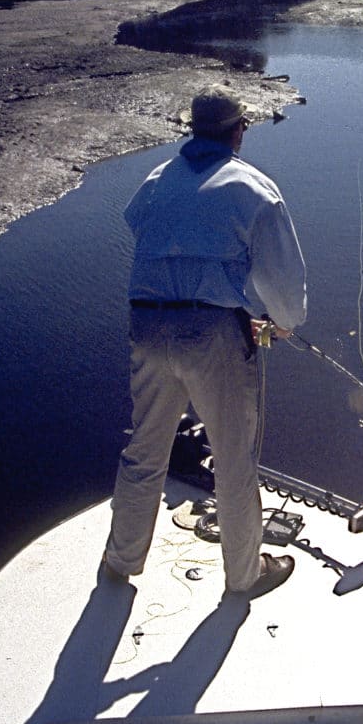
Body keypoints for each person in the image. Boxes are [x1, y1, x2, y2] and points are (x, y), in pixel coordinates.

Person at [103, 84, 307, 597]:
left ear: (192, 130)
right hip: (213, 337)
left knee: (144, 450)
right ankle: (245, 576)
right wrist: (280, 323)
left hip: (146, 325)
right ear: (239, 131)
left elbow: (140, 228)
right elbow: (284, 291)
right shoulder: (254, 188)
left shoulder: (154, 181)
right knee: (234, 461)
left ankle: (120, 562)